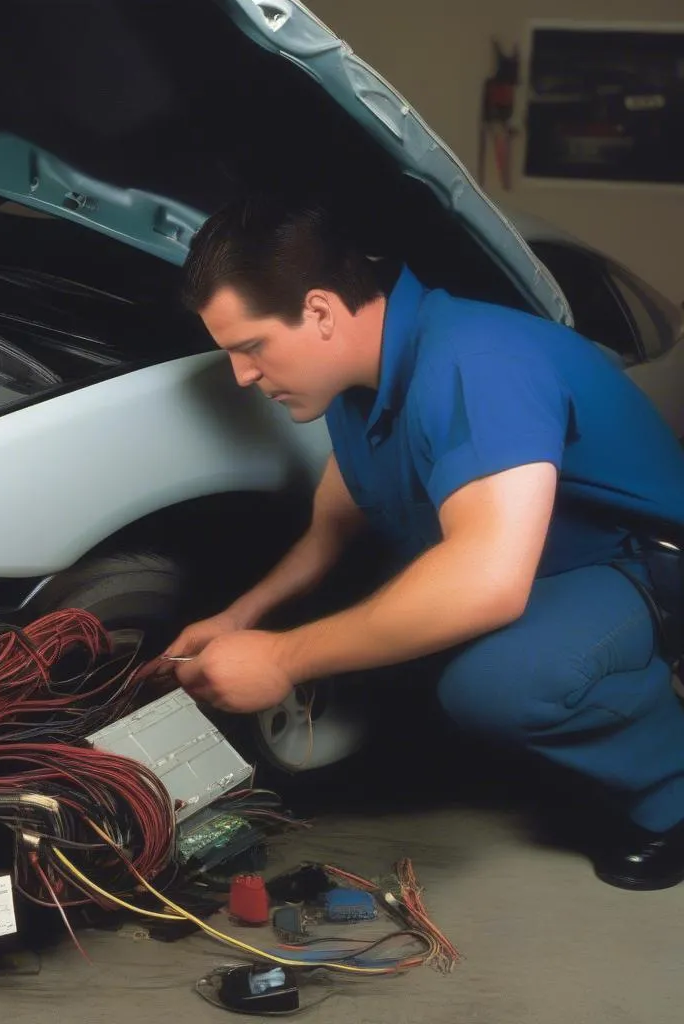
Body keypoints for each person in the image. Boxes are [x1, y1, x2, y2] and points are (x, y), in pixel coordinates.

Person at [161, 193, 684, 891]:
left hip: (641, 565)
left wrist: (283, 658)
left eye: (251, 347)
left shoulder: (478, 361)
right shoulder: (357, 385)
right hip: (548, 564)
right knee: (377, 616)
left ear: (319, 311)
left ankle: (669, 786)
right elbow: (331, 528)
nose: (242, 375)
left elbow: (486, 583)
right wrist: (240, 618)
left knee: (497, 686)